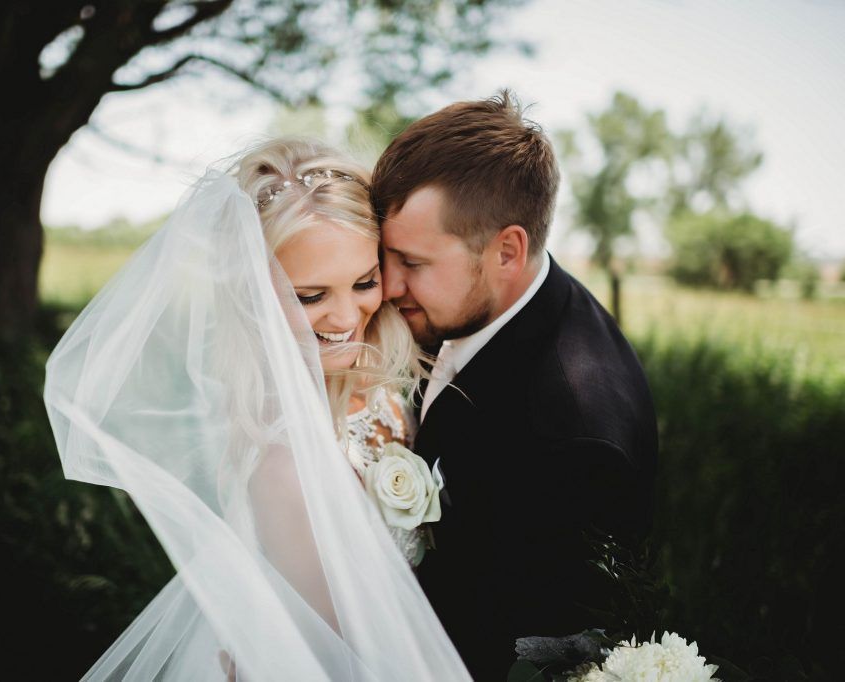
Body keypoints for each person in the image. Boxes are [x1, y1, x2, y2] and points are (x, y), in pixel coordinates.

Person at [43, 138, 470, 680]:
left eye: (364, 281)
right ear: (252, 292)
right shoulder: (283, 464)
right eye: (310, 295)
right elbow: (338, 657)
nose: (348, 315)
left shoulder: (387, 382)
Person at [370, 91, 659, 677]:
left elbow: (505, 647)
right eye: (385, 255)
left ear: (507, 250)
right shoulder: (487, 299)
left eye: (413, 263)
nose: (387, 287)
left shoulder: (571, 438)